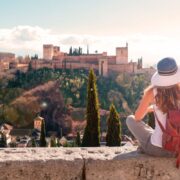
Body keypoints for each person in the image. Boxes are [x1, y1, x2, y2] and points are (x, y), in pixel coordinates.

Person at [126, 57, 180, 157]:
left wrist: (148, 110)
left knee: (130, 119)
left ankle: (144, 147)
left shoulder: (152, 92)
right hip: (178, 149)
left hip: (158, 149)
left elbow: (137, 117)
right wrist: (154, 108)